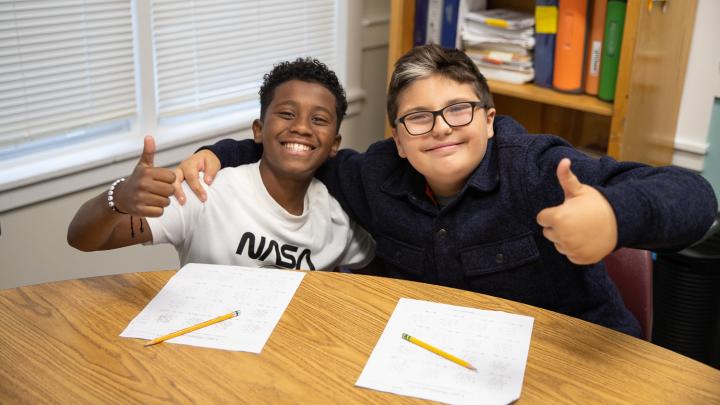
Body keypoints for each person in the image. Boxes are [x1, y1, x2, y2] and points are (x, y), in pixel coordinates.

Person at [172, 45, 718, 337]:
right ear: (397, 140)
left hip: (572, 357)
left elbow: (692, 195)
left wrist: (613, 215)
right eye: (417, 117)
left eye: (459, 109)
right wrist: (222, 153)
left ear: (489, 118)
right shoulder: (373, 176)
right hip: (442, 361)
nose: (440, 127)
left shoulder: (538, 169)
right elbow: (300, 150)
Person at [68, 58, 375, 271]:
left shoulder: (336, 218)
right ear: (258, 129)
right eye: (286, 113)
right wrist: (118, 199)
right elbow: (82, 239)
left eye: (319, 119)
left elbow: (377, 262)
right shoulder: (206, 193)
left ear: (334, 144)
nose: (302, 127)